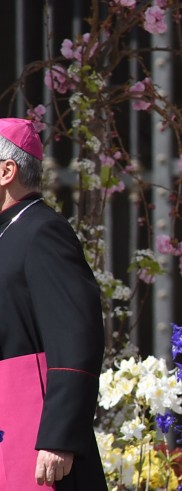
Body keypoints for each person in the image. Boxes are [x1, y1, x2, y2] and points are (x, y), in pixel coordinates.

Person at [0, 118, 107, 490]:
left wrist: (59, 436)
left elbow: (77, 333)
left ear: (6, 171)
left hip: (32, 425)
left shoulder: (43, 231)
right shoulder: (8, 233)